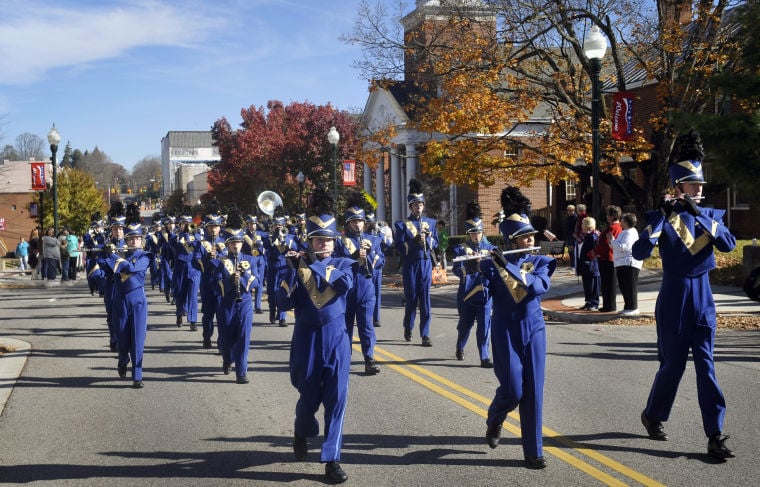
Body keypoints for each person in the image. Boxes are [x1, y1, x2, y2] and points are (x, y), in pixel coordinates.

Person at [632, 131, 736, 460]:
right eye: (693, 185)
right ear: (678, 186)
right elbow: (639, 250)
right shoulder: (663, 218)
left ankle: (715, 434)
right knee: (672, 366)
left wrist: (699, 212)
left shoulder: (712, 217)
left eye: (700, 185)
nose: (699, 190)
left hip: (703, 299)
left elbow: (729, 245)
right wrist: (662, 217)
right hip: (674, 298)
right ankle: (654, 414)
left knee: (706, 367)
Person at [278, 185, 354, 484]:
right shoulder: (298, 266)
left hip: (337, 339)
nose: (324, 244)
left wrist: (312, 264)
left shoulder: (344, 264)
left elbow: (344, 285)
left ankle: (331, 459)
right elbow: (283, 303)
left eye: (328, 241)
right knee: (308, 398)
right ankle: (301, 428)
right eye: (318, 240)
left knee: (337, 400)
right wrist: (291, 271)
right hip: (307, 339)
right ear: (308, 241)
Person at [482, 186, 555, 470]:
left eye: (531, 236)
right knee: (513, 389)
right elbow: (481, 294)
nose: (530, 240)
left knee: (534, 390)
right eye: (524, 237)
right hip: (504, 329)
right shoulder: (494, 261)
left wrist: (505, 267)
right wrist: (475, 272)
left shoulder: (541, 259)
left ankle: (533, 452)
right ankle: (496, 416)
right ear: (512, 240)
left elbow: (536, 287)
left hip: (533, 327)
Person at [102, 203, 151, 388]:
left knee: (138, 339)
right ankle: (122, 361)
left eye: (137, 239)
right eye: (131, 239)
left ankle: (137, 376)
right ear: (127, 241)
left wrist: (112, 257)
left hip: (138, 300)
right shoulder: (118, 253)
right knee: (122, 339)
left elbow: (130, 269)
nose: (134, 242)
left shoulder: (145, 256)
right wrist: (104, 254)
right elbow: (103, 267)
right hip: (120, 300)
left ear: (141, 240)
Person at [334, 192, 383, 375]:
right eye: (354, 221)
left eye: (360, 220)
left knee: (366, 325)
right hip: (346, 289)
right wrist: (354, 258)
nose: (358, 224)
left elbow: (381, 262)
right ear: (348, 223)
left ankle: (369, 359)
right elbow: (335, 262)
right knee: (345, 325)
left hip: (365, 286)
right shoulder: (340, 242)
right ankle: (344, 359)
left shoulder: (374, 241)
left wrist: (369, 256)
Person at [212, 209, 258, 384]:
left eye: (238, 242)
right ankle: (227, 358)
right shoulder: (220, 261)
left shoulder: (251, 260)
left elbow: (257, 282)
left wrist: (244, 276)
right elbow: (215, 285)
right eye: (233, 243)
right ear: (228, 244)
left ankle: (241, 372)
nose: (236, 245)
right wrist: (229, 280)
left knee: (244, 338)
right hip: (227, 303)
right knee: (226, 337)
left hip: (245, 302)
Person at [393, 178, 439, 346]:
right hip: (411, 264)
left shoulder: (431, 223)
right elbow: (398, 246)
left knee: (425, 299)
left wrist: (428, 240)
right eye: (415, 205)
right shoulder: (402, 225)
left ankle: (425, 334)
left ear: (423, 206)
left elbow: (437, 243)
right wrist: (414, 240)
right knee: (412, 298)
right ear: (410, 206)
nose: (418, 207)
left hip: (426, 263)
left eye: (420, 205)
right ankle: (408, 326)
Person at [452, 201, 496, 368]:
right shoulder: (460, 249)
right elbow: (457, 268)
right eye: (472, 233)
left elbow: (497, 268)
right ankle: (460, 345)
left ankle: (484, 356)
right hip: (467, 292)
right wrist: (470, 266)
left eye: (478, 232)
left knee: (485, 325)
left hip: (485, 292)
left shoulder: (490, 248)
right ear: (468, 234)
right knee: (465, 324)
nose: (476, 236)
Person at [609, 212, 642, 316]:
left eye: (622, 220)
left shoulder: (630, 232)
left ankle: (633, 307)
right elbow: (617, 246)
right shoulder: (625, 232)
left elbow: (625, 247)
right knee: (624, 286)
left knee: (630, 286)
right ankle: (627, 306)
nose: (620, 222)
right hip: (622, 262)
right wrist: (612, 242)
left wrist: (612, 241)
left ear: (626, 222)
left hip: (629, 262)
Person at [590, 205, 622, 312]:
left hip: (608, 258)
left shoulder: (613, 228)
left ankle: (609, 305)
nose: (607, 216)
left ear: (612, 216)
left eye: (608, 214)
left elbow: (604, 244)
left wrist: (594, 252)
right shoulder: (616, 227)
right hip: (609, 257)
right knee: (608, 283)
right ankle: (608, 304)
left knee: (608, 283)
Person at [577, 217, 601, 311]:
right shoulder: (586, 235)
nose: (581, 226)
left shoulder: (593, 236)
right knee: (587, 284)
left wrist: (588, 259)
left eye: (583, 224)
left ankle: (594, 303)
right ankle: (588, 301)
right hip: (585, 263)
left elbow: (594, 250)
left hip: (591, 264)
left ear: (587, 225)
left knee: (593, 284)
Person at [564, 204, 577, 269]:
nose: (569, 211)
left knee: (573, 251)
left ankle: (574, 265)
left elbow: (576, 227)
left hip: (573, 236)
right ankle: (572, 265)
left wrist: (575, 233)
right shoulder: (568, 218)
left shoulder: (575, 217)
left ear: (573, 210)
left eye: (570, 210)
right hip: (568, 236)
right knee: (570, 251)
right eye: (568, 210)